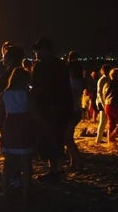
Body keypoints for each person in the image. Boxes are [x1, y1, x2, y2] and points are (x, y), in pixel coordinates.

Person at [30, 38, 73, 183]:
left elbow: (37, 88)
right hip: (61, 108)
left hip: (47, 109)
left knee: (49, 139)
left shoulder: (40, 67)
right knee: (57, 139)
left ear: (46, 50)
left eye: (38, 49)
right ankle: (56, 170)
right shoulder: (61, 65)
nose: (36, 52)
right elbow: (66, 89)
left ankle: (54, 171)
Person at [0, 67, 35, 201]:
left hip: (10, 127)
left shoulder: (4, 95)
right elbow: (34, 113)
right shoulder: (28, 94)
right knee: (26, 163)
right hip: (24, 127)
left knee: (8, 163)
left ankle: (4, 190)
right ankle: (26, 191)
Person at [65, 50, 84, 169]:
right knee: (68, 137)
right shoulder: (79, 82)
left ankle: (76, 161)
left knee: (67, 138)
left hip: (72, 111)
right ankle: (73, 160)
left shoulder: (72, 84)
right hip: (76, 110)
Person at [104, 68, 118, 147]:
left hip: (107, 106)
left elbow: (104, 95)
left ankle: (110, 143)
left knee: (111, 123)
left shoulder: (107, 84)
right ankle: (112, 138)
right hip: (116, 106)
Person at [95, 64, 111, 144]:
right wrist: (103, 104)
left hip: (106, 102)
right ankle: (98, 140)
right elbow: (99, 93)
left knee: (105, 122)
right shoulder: (102, 79)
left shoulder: (108, 78)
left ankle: (100, 139)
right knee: (103, 122)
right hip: (102, 102)